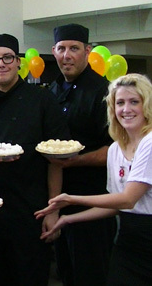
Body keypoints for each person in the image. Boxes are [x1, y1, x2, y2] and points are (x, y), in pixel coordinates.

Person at [0, 33, 70, 286]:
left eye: (8, 57)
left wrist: (53, 211)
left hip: (32, 209)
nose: (1, 64)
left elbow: (56, 158)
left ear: (18, 62)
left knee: (32, 276)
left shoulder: (42, 99)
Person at [35, 73, 152, 285]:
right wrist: (67, 219)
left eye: (134, 102)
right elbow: (116, 206)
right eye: (120, 103)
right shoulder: (116, 148)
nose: (126, 109)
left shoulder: (150, 142)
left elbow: (128, 199)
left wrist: (71, 199)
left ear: (147, 105)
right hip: (129, 239)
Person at [48, 23, 116, 286]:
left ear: (87, 51)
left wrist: (76, 161)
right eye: (62, 49)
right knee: (65, 272)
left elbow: (118, 149)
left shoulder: (105, 93)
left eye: (74, 48)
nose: (67, 55)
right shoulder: (52, 92)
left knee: (92, 274)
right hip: (58, 198)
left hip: (94, 200)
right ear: (54, 51)